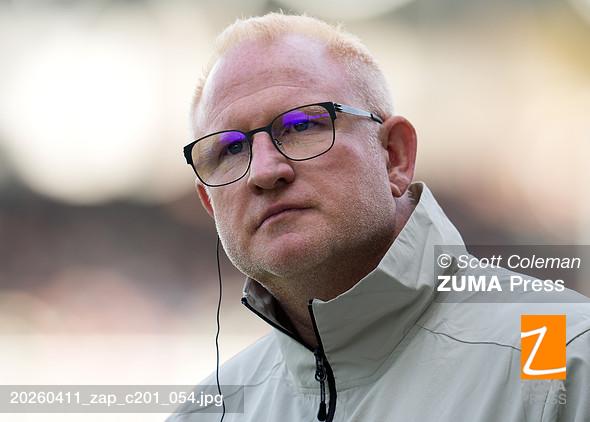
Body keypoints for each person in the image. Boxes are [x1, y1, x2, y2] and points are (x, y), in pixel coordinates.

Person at [169, 12, 590, 422]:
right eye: (230, 149)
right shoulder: (207, 412)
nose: (264, 171)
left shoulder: (562, 356)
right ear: (210, 203)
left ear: (394, 156)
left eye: (300, 126)